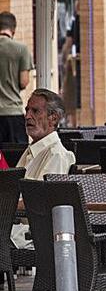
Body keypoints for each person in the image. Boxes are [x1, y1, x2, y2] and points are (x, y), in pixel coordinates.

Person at [11, 89, 74, 248]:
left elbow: (40, 203)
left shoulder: (57, 155)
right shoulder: (31, 151)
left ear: (53, 118)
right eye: (27, 110)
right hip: (15, 226)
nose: (27, 116)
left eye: (35, 111)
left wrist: (6, 204)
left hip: (33, 234)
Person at [0, 12, 33, 145]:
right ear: (13, 29)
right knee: (16, 160)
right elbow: (23, 82)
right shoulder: (21, 49)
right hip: (13, 114)